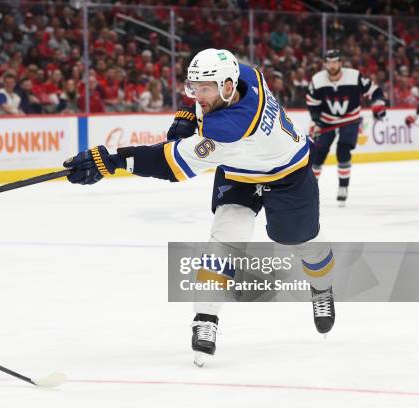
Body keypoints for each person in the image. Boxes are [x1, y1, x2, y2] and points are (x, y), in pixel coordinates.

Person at [62, 49, 336, 367]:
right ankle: (206, 318)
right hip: (239, 171)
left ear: (227, 86)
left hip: (288, 174)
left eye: (203, 89)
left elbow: (169, 165)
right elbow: (204, 102)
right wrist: (190, 112)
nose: (196, 95)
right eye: (193, 87)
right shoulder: (246, 76)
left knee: (300, 241)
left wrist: (112, 160)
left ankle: (323, 287)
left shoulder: (230, 127)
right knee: (226, 239)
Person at [306, 49, 386, 206]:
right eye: (329, 62)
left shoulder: (354, 76)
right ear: (325, 64)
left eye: (335, 62)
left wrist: (378, 103)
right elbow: (312, 103)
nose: (332, 65)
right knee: (317, 154)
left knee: (343, 149)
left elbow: (375, 90)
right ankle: (310, 190)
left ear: (340, 63)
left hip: (350, 120)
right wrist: (315, 121)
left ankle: (343, 187)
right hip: (326, 121)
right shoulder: (317, 80)